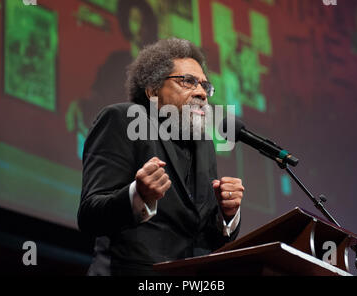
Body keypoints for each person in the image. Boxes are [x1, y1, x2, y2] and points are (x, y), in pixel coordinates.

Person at [78, 38, 245, 276]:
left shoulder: (204, 144)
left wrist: (227, 215)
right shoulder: (122, 119)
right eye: (188, 81)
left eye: (205, 86)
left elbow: (201, 235)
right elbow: (90, 216)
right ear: (153, 90)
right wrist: (138, 195)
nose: (201, 92)